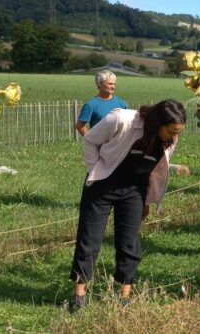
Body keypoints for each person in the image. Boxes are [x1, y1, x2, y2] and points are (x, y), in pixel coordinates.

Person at [69, 100, 186, 312]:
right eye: (171, 131)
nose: (174, 137)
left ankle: (124, 297)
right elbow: (90, 141)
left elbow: (155, 170)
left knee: (129, 243)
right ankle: (79, 296)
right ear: (158, 122)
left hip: (135, 190)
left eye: (178, 132)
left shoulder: (169, 138)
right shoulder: (121, 119)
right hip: (103, 185)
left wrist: (147, 200)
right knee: (89, 239)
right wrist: (96, 170)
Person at [75, 70, 127, 137]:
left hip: (119, 145)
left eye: (114, 84)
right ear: (100, 84)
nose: (113, 87)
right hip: (101, 146)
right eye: (110, 84)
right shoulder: (90, 105)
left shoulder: (121, 103)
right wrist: (91, 141)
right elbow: (80, 126)